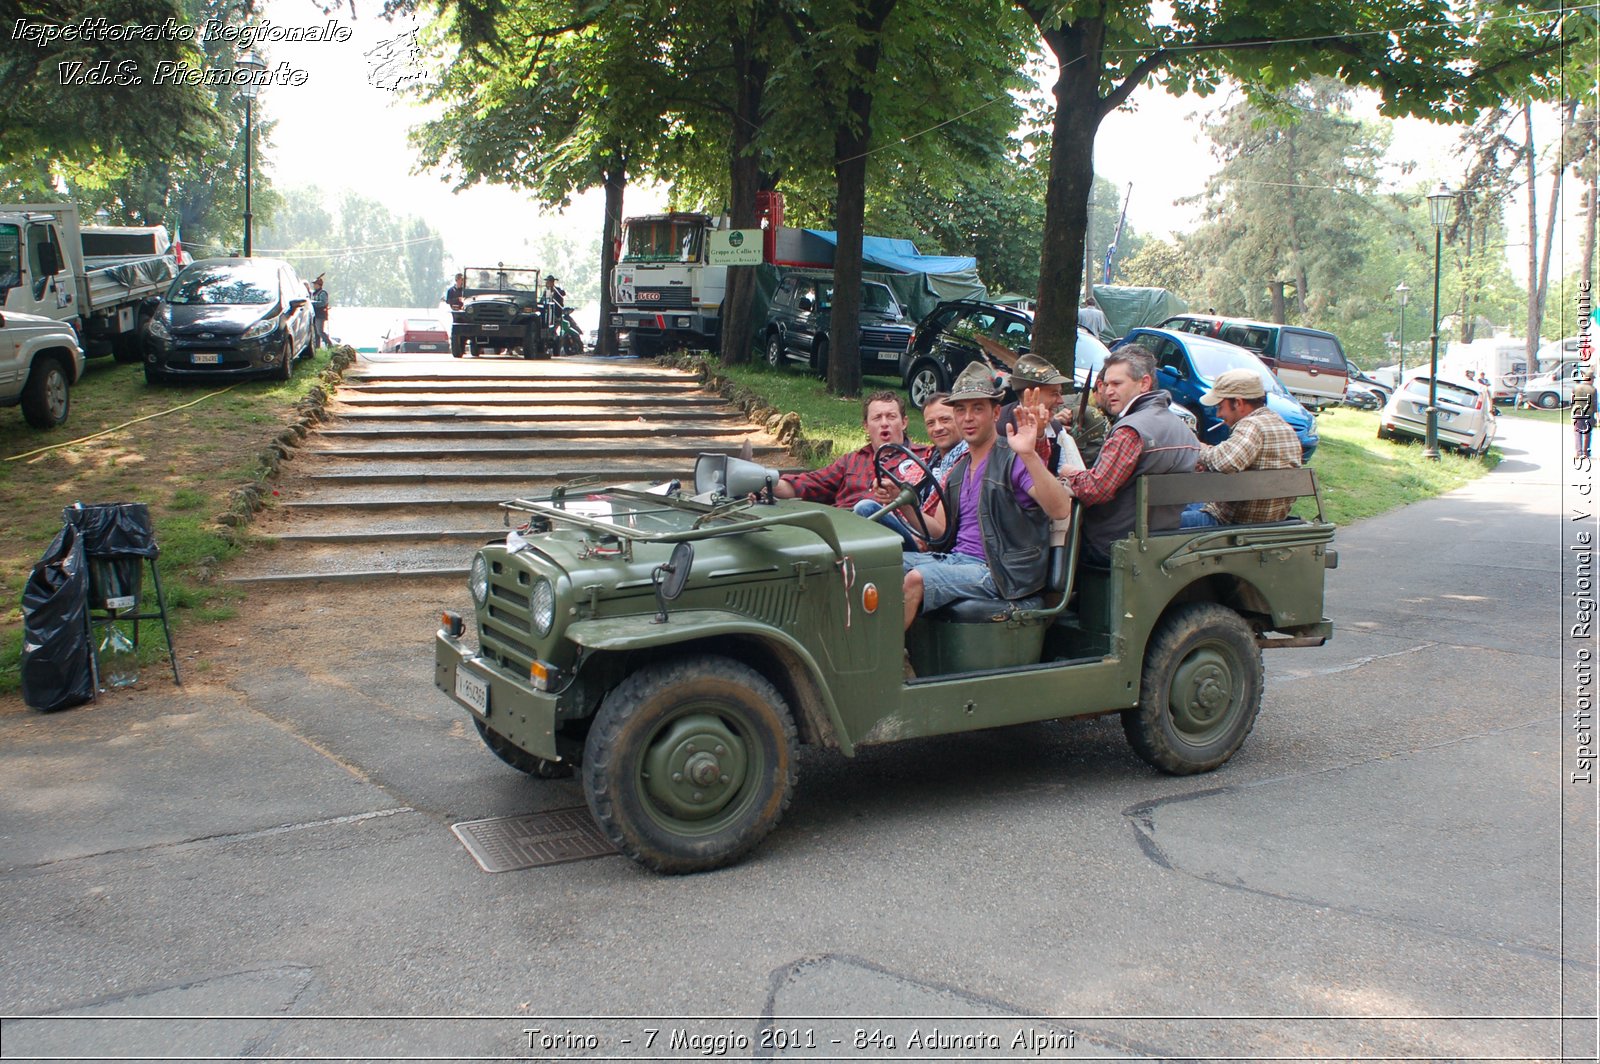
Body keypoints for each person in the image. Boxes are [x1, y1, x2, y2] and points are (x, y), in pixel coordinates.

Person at [900, 362, 1073, 632]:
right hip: (957, 561)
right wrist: (907, 503)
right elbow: (939, 532)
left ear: (995, 413)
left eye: (977, 408)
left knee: (915, 579)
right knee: (877, 563)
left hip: (999, 572)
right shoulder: (958, 471)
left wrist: (1029, 454)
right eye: (960, 409)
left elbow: (1061, 509)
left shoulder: (1013, 458)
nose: (967, 417)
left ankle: (885, 667)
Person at [1058, 345, 1201, 565]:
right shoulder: (1183, 429)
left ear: (1144, 383)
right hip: (1163, 542)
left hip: (1113, 547)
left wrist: (1069, 474)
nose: (1107, 391)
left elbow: (1096, 489)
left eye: (1117, 384)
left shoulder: (1131, 431)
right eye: (1106, 384)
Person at [1180, 369, 1302, 527]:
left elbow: (1226, 461)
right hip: (1270, 522)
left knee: (1156, 521)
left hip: (1232, 524)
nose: (1218, 414)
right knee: (1186, 504)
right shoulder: (1281, 425)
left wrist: (1199, 450)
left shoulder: (1252, 425)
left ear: (1238, 402)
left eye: (1220, 406)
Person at [774, 391, 932, 508]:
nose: (884, 423)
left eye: (891, 416)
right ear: (866, 426)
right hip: (844, 529)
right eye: (877, 418)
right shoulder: (852, 460)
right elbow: (809, 484)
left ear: (904, 423)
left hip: (888, 533)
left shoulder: (925, 458)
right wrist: (766, 485)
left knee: (866, 508)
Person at [855, 392, 966, 549]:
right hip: (910, 531)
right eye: (930, 423)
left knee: (865, 508)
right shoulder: (928, 459)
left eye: (945, 420)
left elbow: (939, 535)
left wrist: (903, 504)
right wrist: (893, 494)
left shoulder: (962, 464)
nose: (938, 428)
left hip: (930, 546)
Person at [1574, 369, 1596, 459]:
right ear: (1590, 379)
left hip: (1578, 412)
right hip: (1589, 413)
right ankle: (1586, 453)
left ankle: (1578, 453)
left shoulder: (1576, 387)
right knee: (1587, 434)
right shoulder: (1593, 389)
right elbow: (1594, 403)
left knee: (1577, 433)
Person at [310, 275, 331, 349]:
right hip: (315, 315)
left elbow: (323, 303)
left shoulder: (323, 293)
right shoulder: (314, 293)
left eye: (315, 284)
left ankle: (329, 345)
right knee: (316, 332)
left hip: (320, 315)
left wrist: (312, 303)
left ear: (319, 285)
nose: (314, 286)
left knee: (320, 331)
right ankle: (317, 347)